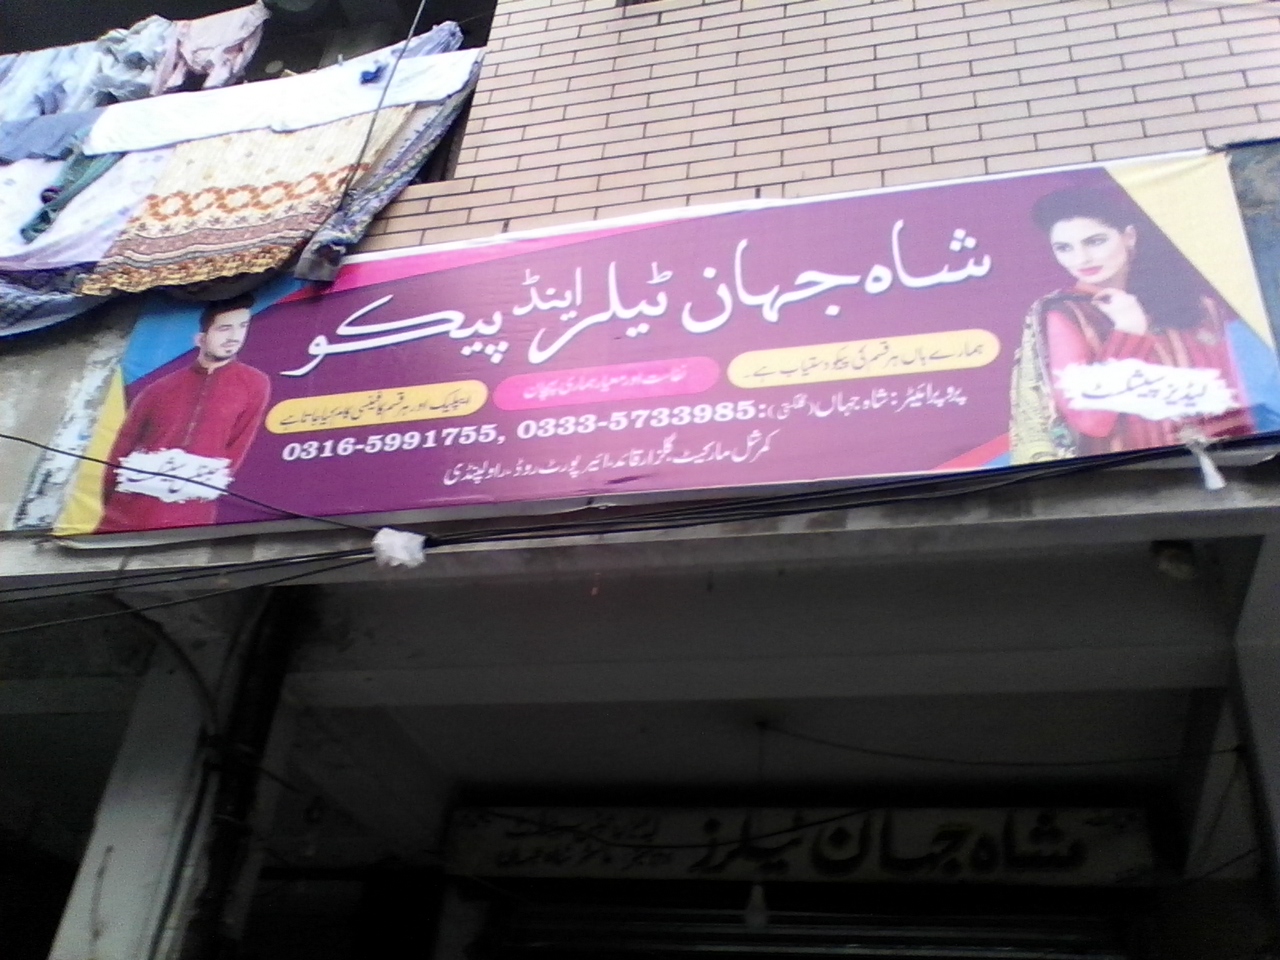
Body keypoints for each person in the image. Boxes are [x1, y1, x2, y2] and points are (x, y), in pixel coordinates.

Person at [1009, 186, 1257, 463]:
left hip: (1220, 465)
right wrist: (1128, 332)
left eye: (1095, 241)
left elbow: (1235, 404)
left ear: (1129, 237)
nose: (1081, 259)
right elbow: (1092, 421)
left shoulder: (1197, 305)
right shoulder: (1066, 314)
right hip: (1131, 477)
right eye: (1064, 248)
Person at [96, 294, 270, 533]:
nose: (234, 337)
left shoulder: (253, 384)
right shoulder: (159, 390)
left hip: (190, 519)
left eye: (242, 327)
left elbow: (236, 450)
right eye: (224, 329)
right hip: (126, 517)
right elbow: (119, 455)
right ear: (201, 338)